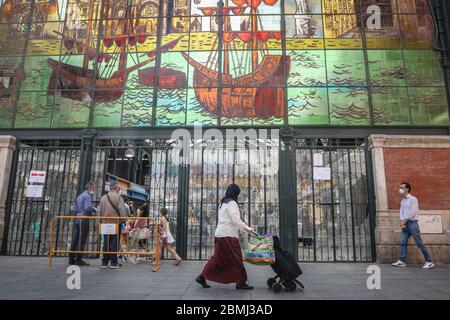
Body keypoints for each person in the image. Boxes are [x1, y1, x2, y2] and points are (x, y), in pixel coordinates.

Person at [196, 184, 254, 290]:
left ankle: (202, 276)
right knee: (237, 258)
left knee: (217, 259)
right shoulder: (232, 203)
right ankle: (241, 282)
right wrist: (248, 229)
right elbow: (236, 220)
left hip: (220, 234)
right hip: (229, 236)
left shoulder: (222, 203)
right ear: (236, 193)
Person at [392, 182, 435, 269]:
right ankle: (401, 261)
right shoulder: (403, 200)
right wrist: (401, 221)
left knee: (419, 243)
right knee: (403, 242)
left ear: (407, 189)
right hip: (405, 225)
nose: (400, 189)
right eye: (400, 187)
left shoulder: (413, 199)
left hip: (412, 224)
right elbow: (401, 212)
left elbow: (412, 213)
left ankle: (429, 261)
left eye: (402, 187)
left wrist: (404, 221)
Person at [98, 181, 127, 269]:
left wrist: (100, 220)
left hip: (105, 223)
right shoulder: (119, 197)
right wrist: (124, 220)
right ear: (115, 188)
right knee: (114, 242)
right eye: (119, 188)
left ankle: (104, 262)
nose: (120, 189)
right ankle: (113, 262)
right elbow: (122, 211)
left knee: (106, 242)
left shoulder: (103, 197)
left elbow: (99, 211)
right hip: (115, 223)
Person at [69, 182, 96, 266]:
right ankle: (78, 259)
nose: (94, 190)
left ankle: (71, 259)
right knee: (82, 240)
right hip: (84, 219)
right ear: (90, 188)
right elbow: (88, 208)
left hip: (77, 219)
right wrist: (95, 209)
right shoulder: (87, 196)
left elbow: (75, 209)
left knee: (75, 239)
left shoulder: (79, 196)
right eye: (93, 188)